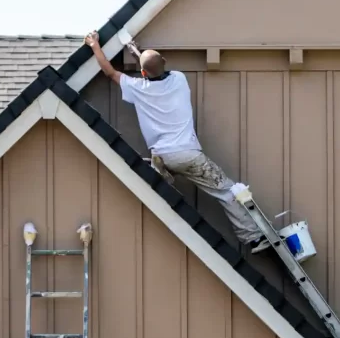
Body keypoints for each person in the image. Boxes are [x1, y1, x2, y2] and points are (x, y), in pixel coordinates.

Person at [84, 31, 270, 251]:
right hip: (189, 154)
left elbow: (110, 72)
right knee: (226, 190)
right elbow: (154, 67)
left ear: (142, 72)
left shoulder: (138, 88)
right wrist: (138, 52)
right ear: (165, 62)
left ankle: (164, 186)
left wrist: (95, 44)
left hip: (162, 158)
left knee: (161, 183)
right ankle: (253, 237)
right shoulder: (179, 79)